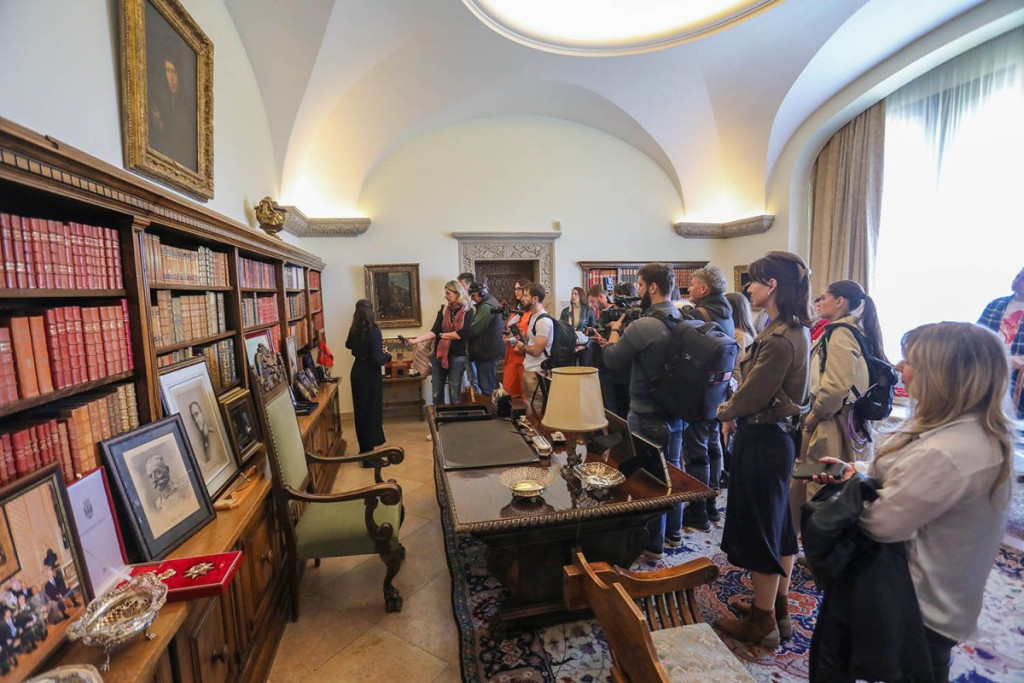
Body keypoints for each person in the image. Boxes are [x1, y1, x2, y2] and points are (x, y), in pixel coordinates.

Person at [813, 322, 1013, 682]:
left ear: (943, 375)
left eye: (911, 362)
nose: (900, 368)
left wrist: (846, 497)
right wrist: (857, 471)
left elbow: (882, 524)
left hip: (916, 605)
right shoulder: (966, 431)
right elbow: (909, 475)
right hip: (938, 596)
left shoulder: (950, 451)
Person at [714, 250, 811, 647]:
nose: (748, 288)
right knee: (779, 524)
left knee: (761, 530)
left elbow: (752, 395)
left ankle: (763, 622)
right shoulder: (788, 329)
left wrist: (723, 412)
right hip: (774, 438)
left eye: (753, 281)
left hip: (765, 440)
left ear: (772, 285)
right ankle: (776, 607)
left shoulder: (780, 339)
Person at [600, 263, 684, 559]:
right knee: (673, 472)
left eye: (639, 285)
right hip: (677, 412)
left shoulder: (643, 326)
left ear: (652, 287)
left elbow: (612, 360)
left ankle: (652, 545)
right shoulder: (684, 318)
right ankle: (674, 533)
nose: (637, 290)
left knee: (649, 479)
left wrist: (614, 332)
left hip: (646, 414)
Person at [803, 280, 886, 466]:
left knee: (825, 476)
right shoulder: (856, 329)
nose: (820, 302)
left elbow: (836, 387)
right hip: (848, 417)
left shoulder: (841, 332)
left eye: (824, 298)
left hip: (835, 420)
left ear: (839, 301)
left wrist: (814, 417)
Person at [679, 265, 734, 531]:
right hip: (719, 393)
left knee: (696, 452)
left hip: (698, 393)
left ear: (703, 289)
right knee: (713, 447)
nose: (688, 289)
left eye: (692, 285)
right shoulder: (728, 313)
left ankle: (698, 510)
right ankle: (712, 504)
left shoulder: (697, 314)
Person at [405, 281, 474, 405]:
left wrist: (442, 335)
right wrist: (414, 341)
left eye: (448, 293)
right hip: (439, 355)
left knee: (454, 394)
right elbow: (434, 331)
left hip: (458, 356)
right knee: (436, 394)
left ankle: (454, 417)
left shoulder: (468, 311)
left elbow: (461, 334)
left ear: (457, 293)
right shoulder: (444, 310)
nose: (445, 296)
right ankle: (439, 416)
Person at [978, 266, 1024, 420]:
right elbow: (976, 336)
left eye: (1022, 279)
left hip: (1017, 373)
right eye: (1017, 276)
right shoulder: (996, 304)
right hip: (990, 365)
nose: (1017, 281)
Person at [345, 299, 390, 456]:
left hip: (357, 372)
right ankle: (369, 455)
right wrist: (388, 356)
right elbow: (377, 360)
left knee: (361, 412)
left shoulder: (354, 330)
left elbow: (348, 345)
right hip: (370, 376)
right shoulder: (374, 332)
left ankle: (363, 450)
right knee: (372, 412)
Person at [514, 283, 553, 408]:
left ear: (535, 299)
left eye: (526, 295)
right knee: (529, 407)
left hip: (538, 372)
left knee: (537, 408)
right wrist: (524, 337)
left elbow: (536, 350)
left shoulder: (543, 321)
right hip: (529, 368)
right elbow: (532, 341)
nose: (522, 298)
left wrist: (522, 346)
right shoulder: (533, 317)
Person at [465, 282, 504, 396]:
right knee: (487, 386)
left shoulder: (486, 307)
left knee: (486, 388)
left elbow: (475, 329)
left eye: (473, 295)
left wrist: (461, 332)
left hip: (486, 353)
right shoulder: (491, 302)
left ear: (480, 293)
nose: (472, 299)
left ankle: (490, 408)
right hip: (488, 352)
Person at [501, 280, 532, 396]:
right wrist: (506, 336)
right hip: (511, 354)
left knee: (525, 394)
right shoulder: (515, 310)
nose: (516, 292)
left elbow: (528, 335)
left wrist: (515, 338)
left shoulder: (532, 312)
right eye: (515, 289)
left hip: (523, 356)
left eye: (519, 289)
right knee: (509, 392)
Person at [560, 286, 596, 366]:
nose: (573, 296)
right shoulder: (565, 311)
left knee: (586, 369)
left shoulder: (589, 310)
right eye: (572, 294)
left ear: (581, 296)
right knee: (569, 369)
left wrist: (585, 346)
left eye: (576, 294)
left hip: (585, 345)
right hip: (570, 345)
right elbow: (562, 330)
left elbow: (594, 331)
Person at [457, 273, 479, 392]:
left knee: (475, 381)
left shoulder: (474, 306)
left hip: (473, 348)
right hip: (462, 348)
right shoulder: (461, 305)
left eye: (462, 286)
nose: (460, 290)